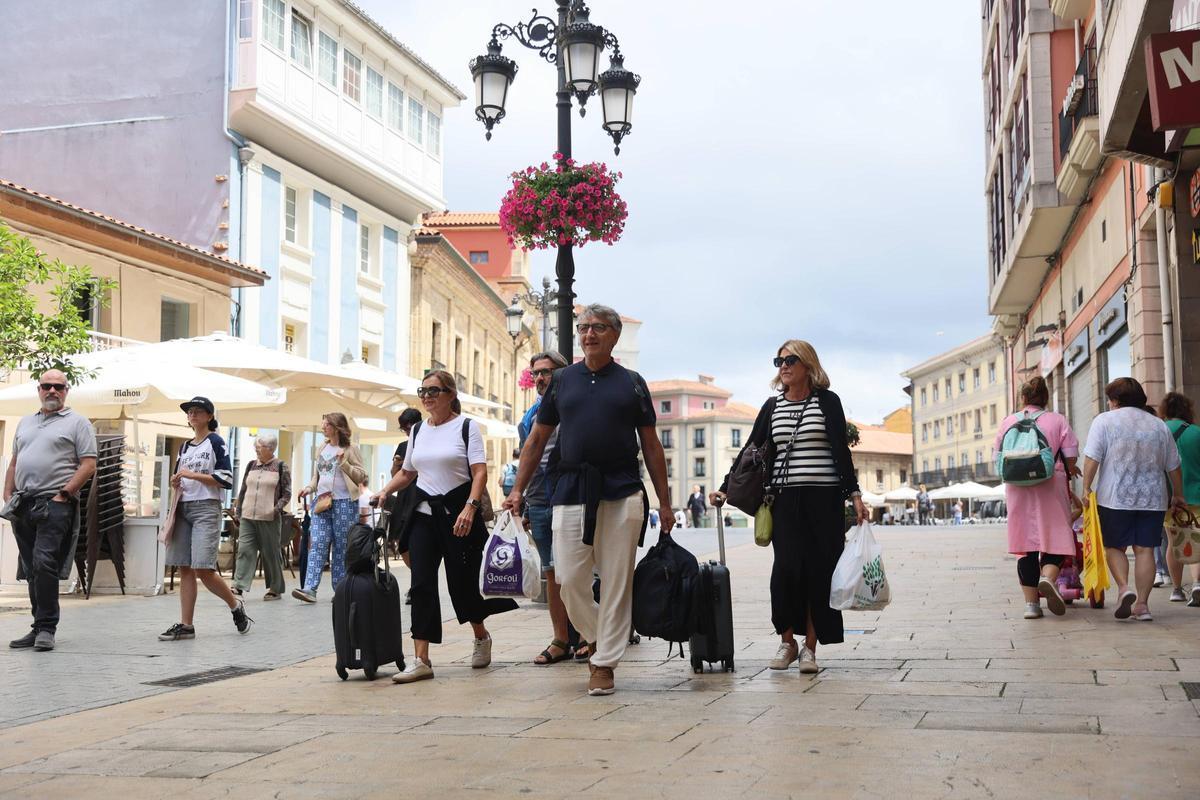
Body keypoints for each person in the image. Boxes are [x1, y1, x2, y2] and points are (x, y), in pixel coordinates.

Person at [505, 304, 674, 697]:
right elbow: (537, 439)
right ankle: (598, 635)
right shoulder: (563, 380)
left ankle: (604, 663)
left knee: (616, 580)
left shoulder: (632, 382)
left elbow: (650, 444)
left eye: (598, 328)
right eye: (584, 328)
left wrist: (665, 502)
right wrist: (517, 490)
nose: (589, 334)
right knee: (568, 577)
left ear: (614, 335)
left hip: (623, 489)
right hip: (570, 489)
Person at [712, 340, 868, 675]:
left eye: (790, 360)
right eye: (778, 361)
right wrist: (725, 487)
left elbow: (841, 451)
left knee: (818, 573)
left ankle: (810, 649)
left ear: (808, 364)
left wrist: (854, 495)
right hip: (782, 499)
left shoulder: (827, 402)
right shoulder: (772, 407)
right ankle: (787, 641)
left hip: (824, 501)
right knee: (785, 571)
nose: (783, 366)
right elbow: (750, 450)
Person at [373, 370, 516, 684]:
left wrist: (470, 507)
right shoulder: (418, 430)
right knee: (422, 583)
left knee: (462, 583)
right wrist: (385, 491)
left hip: (458, 515)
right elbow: (408, 473)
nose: (426, 396)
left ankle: (480, 635)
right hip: (423, 515)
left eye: (433, 391)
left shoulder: (466, 427)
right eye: (422, 391)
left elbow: (479, 472)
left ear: (451, 394)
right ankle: (421, 659)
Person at [4, 370, 97, 652]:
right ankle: (37, 626)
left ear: (66, 390)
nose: (52, 391)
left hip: (55, 503)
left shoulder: (78, 423)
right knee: (32, 567)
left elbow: (89, 464)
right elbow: (15, 462)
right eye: (47, 386)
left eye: (59, 386)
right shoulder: (25, 423)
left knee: (44, 562)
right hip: (24, 502)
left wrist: (64, 493)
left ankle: (46, 628)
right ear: (39, 390)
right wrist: (7, 494)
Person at [1082, 378, 1187, 621]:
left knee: (1114, 547)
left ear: (1115, 400)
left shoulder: (1104, 421)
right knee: (1145, 550)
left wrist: (1086, 488)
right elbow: (1174, 465)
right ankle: (1142, 605)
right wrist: (1178, 494)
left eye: (1110, 399)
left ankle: (1123, 588)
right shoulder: (1158, 425)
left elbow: (1092, 458)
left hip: (1115, 498)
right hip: (1153, 499)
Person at [159, 397, 252, 640]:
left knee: (203, 568)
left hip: (206, 508)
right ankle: (186, 624)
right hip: (183, 507)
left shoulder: (215, 442)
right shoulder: (184, 447)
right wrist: (175, 480)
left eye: (198, 411)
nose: (193, 415)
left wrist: (193, 475)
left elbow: (226, 478)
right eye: (190, 411)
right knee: (184, 567)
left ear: (209, 416)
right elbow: (181, 474)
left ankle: (235, 605)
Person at [994, 376, 1080, 620]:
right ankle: (1048, 578)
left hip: (1017, 488)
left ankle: (1031, 606)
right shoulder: (1057, 420)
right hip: (1051, 485)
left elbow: (997, 457)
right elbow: (1071, 458)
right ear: (1045, 398)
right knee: (1056, 538)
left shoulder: (1008, 421)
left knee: (1026, 548)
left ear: (1023, 398)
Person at [518, 351, 578, 666]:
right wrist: (525, 502)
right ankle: (561, 639)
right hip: (540, 501)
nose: (540, 378)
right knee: (552, 574)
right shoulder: (528, 417)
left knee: (579, 570)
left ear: (562, 373)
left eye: (547, 372)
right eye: (536, 373)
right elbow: (527, 459)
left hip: (571, 496)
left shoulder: (575, 407)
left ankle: (586, 634)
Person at [294, 412, 367, 603]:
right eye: (323, 423)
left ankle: (341, 590)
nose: (323, 427)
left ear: (337, 427)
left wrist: (344, 463)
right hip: (321, 502)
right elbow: (318, 476)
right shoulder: (322, 447)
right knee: (317, 543)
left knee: (341, 547)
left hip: (344, 503)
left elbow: (362, 477)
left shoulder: (351, 449)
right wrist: (308, 488)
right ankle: (309, 589)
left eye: (326, 424)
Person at [231, 434, 291, 600]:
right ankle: (238, 586)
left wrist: (275, 509)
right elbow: (243, 489)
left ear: (270, 448)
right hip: (248, 516)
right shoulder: (251, 465)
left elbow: (287, 493)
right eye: (256, 446)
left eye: (259, 447)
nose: (256, 449)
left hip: (269, 517)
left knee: (270, 553)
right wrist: (238, 512)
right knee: (244, 550)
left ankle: (275, 588)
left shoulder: (280, 466)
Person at [1161, 392, 1200, 606]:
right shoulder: (1196, 432)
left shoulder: (1160, 430)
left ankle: (1176, 589)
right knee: (1197, 539)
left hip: (1169, 497)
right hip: (1196, 494)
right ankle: (1197, 584)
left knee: (1173, 543)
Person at [388, 408, 423, 573]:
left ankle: (418, 579)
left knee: (418, 541)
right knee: (402, 542)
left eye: (408, 428)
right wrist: (396, 464)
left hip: (419, 497)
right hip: (404, 496)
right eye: (404, 429)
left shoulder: (426, 444)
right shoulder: (403, 446)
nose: (407, 433)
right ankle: (417, 574)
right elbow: (395, 475)